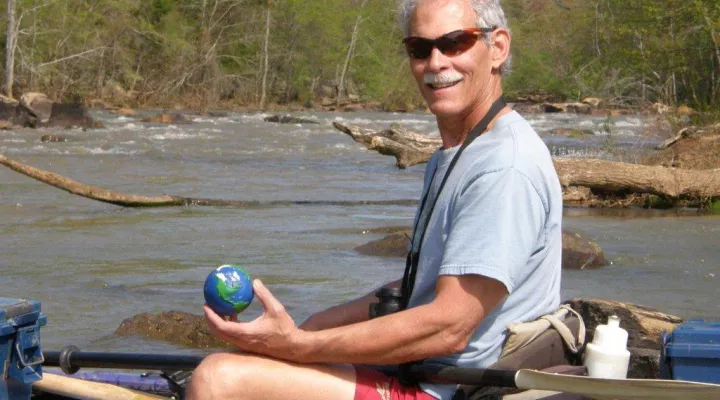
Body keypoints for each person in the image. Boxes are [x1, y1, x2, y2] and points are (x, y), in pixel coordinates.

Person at [186, 0, 562, 399]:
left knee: (218, 378)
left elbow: (449, 326)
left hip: (452, 391)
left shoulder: (504, 166)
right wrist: (310, 329)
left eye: (455, 43)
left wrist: (296, 346)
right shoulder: (459, 153)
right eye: (420, 48)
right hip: (425, 374)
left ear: (498, 47)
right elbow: (428, 281)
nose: (435, 62)